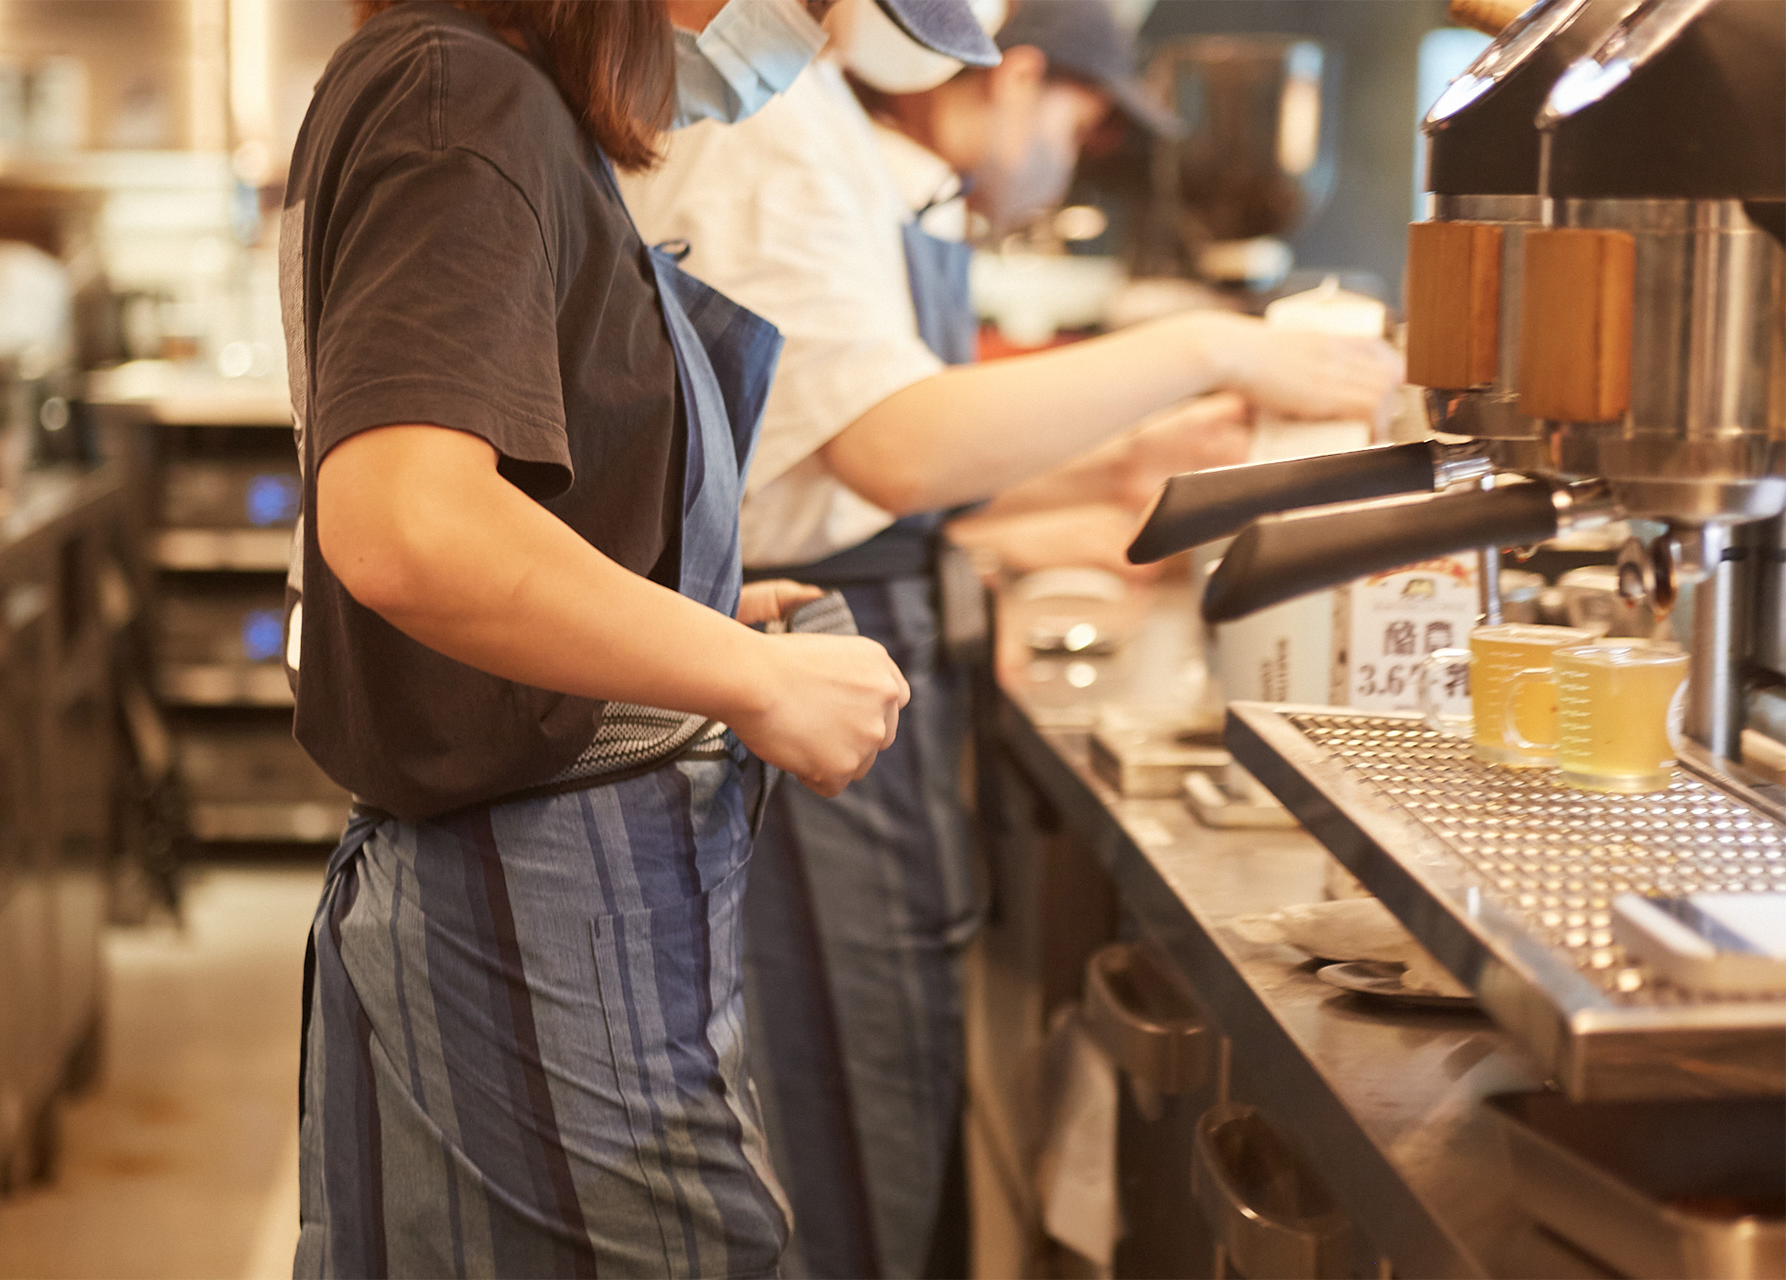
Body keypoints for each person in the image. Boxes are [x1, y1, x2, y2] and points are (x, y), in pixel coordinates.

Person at [620, 2, 1403, 1275]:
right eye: (1082, 122)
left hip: (856, 630)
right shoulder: (769, 120)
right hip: (802, 650)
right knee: (846, 1126)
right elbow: (896, 444)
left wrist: (1117, 468)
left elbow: (868, 462)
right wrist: (1209, 346)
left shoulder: (823, 123)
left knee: (885, 1108)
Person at [279, 0, 1000, 1275]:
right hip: (536, 908)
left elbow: (507, 513)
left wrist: (689, 618)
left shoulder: (507, 111)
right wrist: (752, 676)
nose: (818, 39)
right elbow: (404, 522)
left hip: (540, 889)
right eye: (816, 1)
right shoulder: (461, 97)